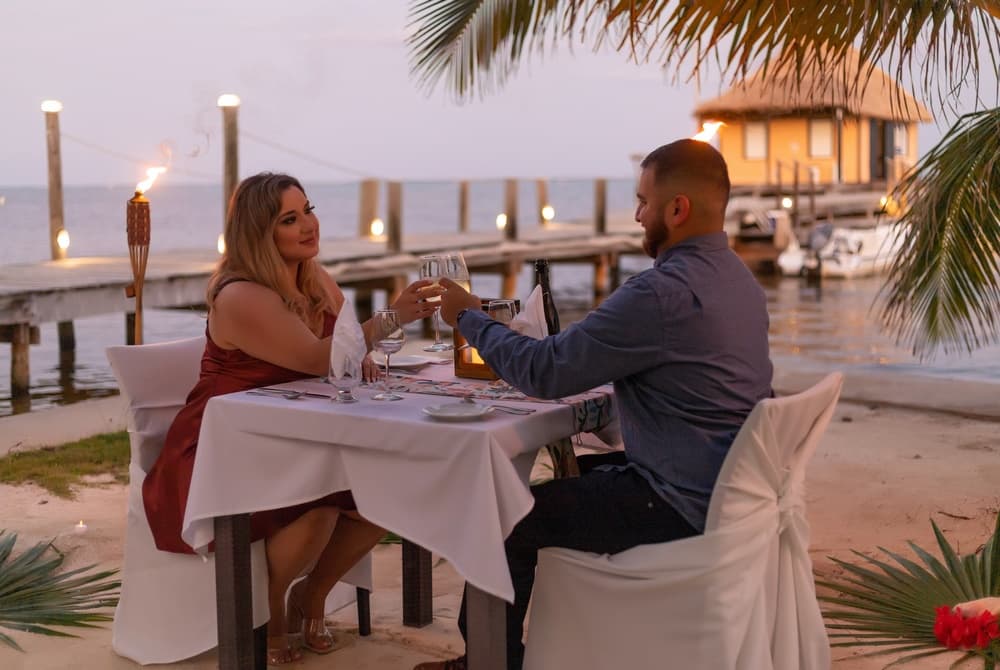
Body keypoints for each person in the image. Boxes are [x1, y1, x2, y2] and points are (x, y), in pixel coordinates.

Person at [417, 139, 774, 670]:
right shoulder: (740, 281)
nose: (636, 215)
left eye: (643, 201)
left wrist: (469, 317)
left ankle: (489, 661)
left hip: (677, 502)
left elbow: (544, 371)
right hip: (730, 490)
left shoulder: (659, 294)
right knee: (550, 481)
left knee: (504, 516)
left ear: (676, 210)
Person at [142, 172, 440, 665]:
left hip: (298, 432)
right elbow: (318, 359)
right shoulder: (240, 295)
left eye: (308, 210)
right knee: (319, 507)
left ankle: (313, 596)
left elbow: (345, 350)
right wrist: (393, 317)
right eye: (289, 219)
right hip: (225, 446)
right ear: (260, 233)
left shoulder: (314, 277)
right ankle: (274, 613)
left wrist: (362, 358)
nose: (308, 225)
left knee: (388, 489)